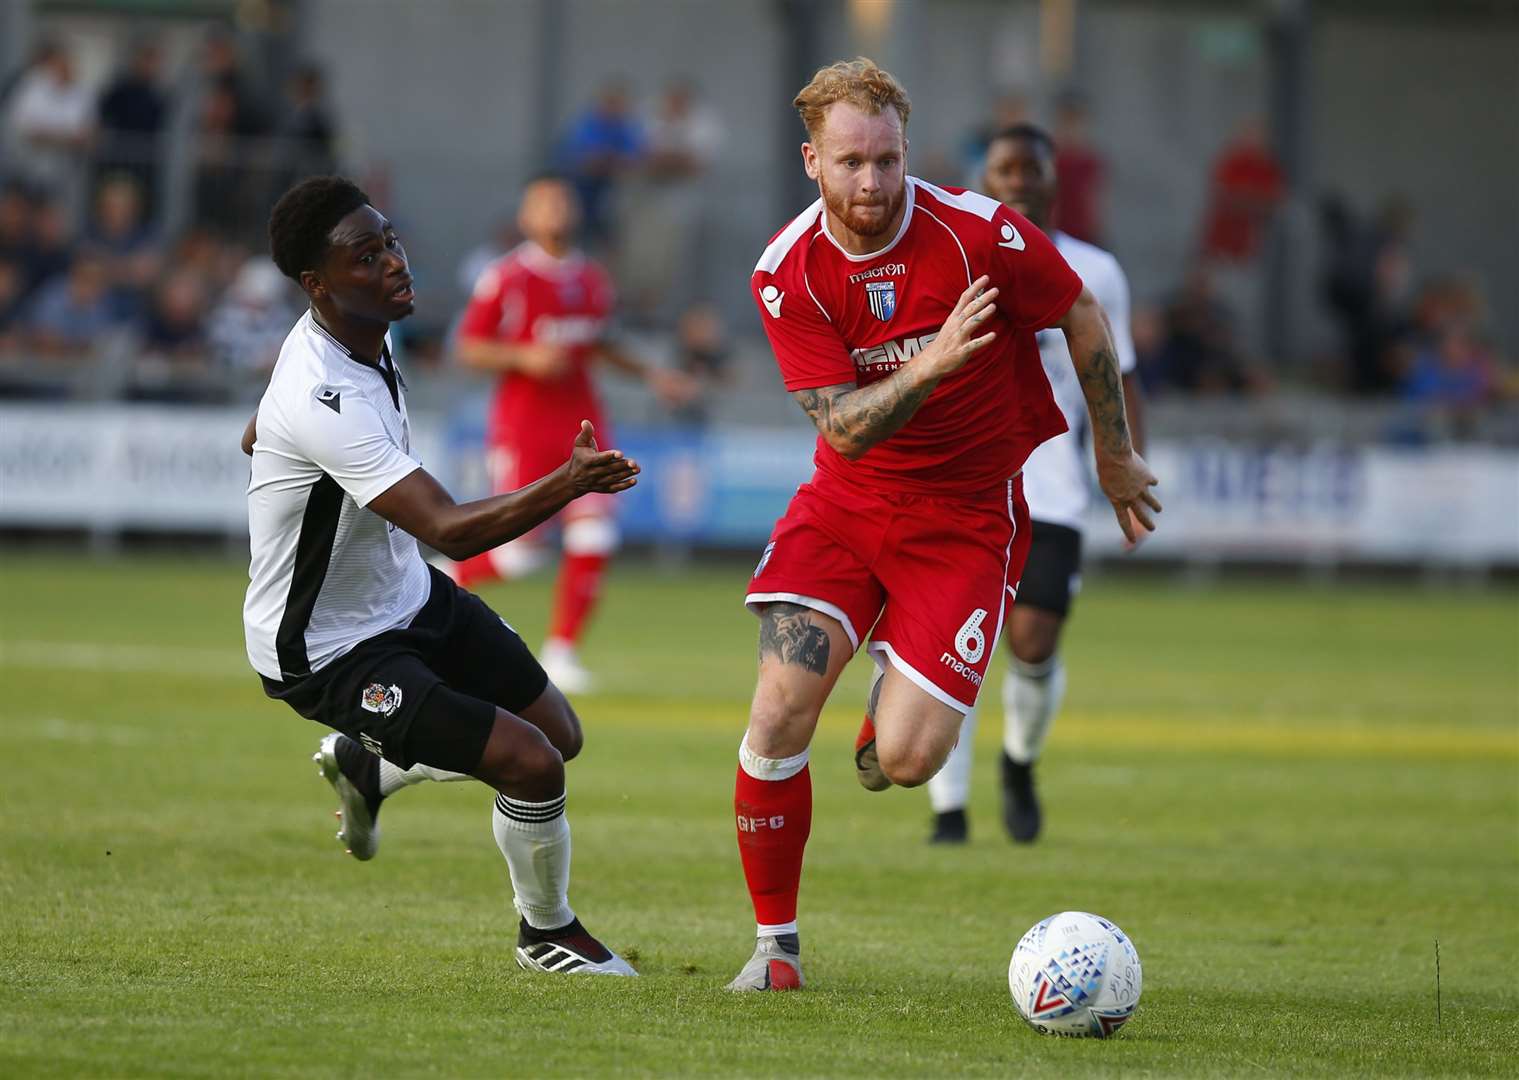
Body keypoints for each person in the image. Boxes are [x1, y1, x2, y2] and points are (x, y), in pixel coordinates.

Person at [729, 59, 1159, 991]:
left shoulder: (978, 232)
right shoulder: (784, 272)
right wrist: (930, 366)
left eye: (887, 160)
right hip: (845, 506)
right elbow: (840, 425)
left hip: (967, 518)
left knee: (910, 762)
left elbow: (1079, 311)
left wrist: (1110, 453)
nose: (873, 183)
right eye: (850, 163)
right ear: (811, 161)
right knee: (774, 717)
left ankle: (885, 702)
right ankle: (775, 950)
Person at [242, 176, 641, 976]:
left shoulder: (360, 330)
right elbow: (452, 531)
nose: (394, 262)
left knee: (561, 735)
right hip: (330, 647)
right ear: (318, 284)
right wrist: (569, 481)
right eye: (368, 256)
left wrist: (277, 441)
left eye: (389, 240)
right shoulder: (326, 394)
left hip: (407, 596)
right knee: (530, 764)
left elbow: (258, 430)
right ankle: (546, 933)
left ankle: (368, 765)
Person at [924, 123, 1146, 845]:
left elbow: (1119, 376)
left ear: (1053, 179)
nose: (1017, 180)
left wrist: (1127, 464)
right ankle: (948, 812)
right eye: (1003, 168)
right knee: (949, 647)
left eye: (1030, 168)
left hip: (1051, 490)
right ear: (985, 178)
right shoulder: (955, 256)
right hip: (961, 482)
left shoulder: (1095, 271)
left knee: (1033, 638)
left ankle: (1018, 763)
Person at [439, 173, 691, 693]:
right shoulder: (506, 276)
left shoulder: (592, 278)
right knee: (520, 554)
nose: (556, 210)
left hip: (582, 425)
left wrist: (654, 375)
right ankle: (436, 582)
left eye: (563, 201)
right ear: (526, 217)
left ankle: (562, 652)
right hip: (524, 427)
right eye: (544, 203)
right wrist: (523, 356)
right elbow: (467, 346)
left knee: (595, 532)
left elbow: (599, 343)